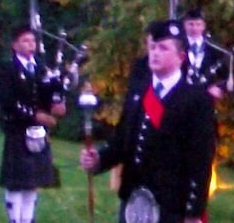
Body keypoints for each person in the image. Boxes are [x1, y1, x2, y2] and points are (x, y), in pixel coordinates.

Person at [80, 20, 217, 223]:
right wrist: (98, 159)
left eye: (163, 48)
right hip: (133, 200)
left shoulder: (196, 99)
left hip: (171, 204)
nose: (155, 52)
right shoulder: (138, 91)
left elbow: (200, 159)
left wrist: (193, 211)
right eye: (152, 47)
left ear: (181, 56)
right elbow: (122, 140)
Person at [0, 27, 68, 223]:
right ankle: (15, 220)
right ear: (15, 45)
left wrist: (57, 104)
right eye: (25, 41)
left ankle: (28, 219)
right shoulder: (7, 68)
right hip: (17, 131)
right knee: (16, 184)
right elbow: (7, 101)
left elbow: (51, 93)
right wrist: (35, 116)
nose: (30, 45)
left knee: (32, 184)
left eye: (32, 41)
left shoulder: (41, 67)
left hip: (38, 133)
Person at [182, 9, 231, 99]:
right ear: (184, 25)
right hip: (181, 98)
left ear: (203, 26)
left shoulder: (214, 49)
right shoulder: (177, 47)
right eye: (191, 24)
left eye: (198, 24)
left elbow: (226, 77)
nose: (194, 28)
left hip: (206, 100)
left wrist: (217, 87)